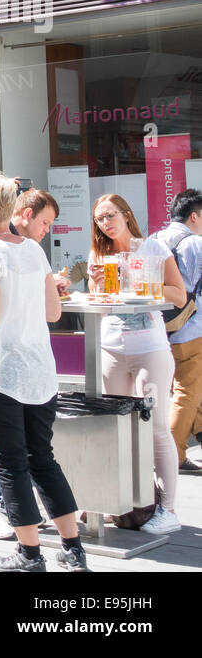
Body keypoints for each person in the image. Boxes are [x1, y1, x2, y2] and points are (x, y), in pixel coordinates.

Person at [0, 174, 87, 571]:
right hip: (40, 369)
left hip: (2, 371)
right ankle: (73, 549)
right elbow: (54, 313)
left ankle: (29, 554)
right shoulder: (33, 251)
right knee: (44, 458)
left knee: (11, 463)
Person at [87, 193, 187, 534]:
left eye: (111, 215)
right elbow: (100, 310)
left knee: (156, 427)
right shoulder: (99, 256)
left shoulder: (153, 249)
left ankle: (168, 510)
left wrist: (145, 283)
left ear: (126, 214)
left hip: (150, 349)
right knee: (111, 428)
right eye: (100, 218)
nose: (106, 222)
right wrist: (97, 288)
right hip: (111, 347)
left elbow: (180, 294)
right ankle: (113, 500)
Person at [0, 188, 64, 539]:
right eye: (44, 222)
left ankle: (15, 513)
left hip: (19, 362)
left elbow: (45, 310)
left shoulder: (30, 252)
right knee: (11, 446)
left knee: (17, 448)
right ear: (23, 212)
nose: (46, 230)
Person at [151, 189, 202, 473]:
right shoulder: (195, 243)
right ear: (194, 216)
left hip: (160, 326)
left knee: (186, 387)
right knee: (186, 392)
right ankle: (175, 455)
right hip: (192, 327)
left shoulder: (154, 239)